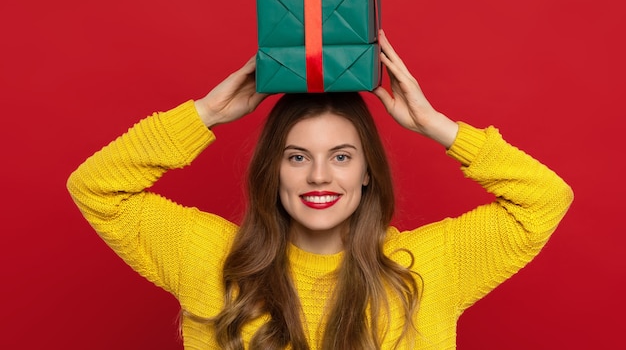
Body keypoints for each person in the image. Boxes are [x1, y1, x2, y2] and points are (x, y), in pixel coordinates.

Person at [67, 30, 573, 350]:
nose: (319, 177)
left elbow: (545, 199)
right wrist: (206, 114)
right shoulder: (211, 259)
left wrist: (436, 126)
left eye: (341, 157)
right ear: (275, 171)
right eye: (297, 157)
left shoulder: (429, 267)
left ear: (366, 172)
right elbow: (97, 188)